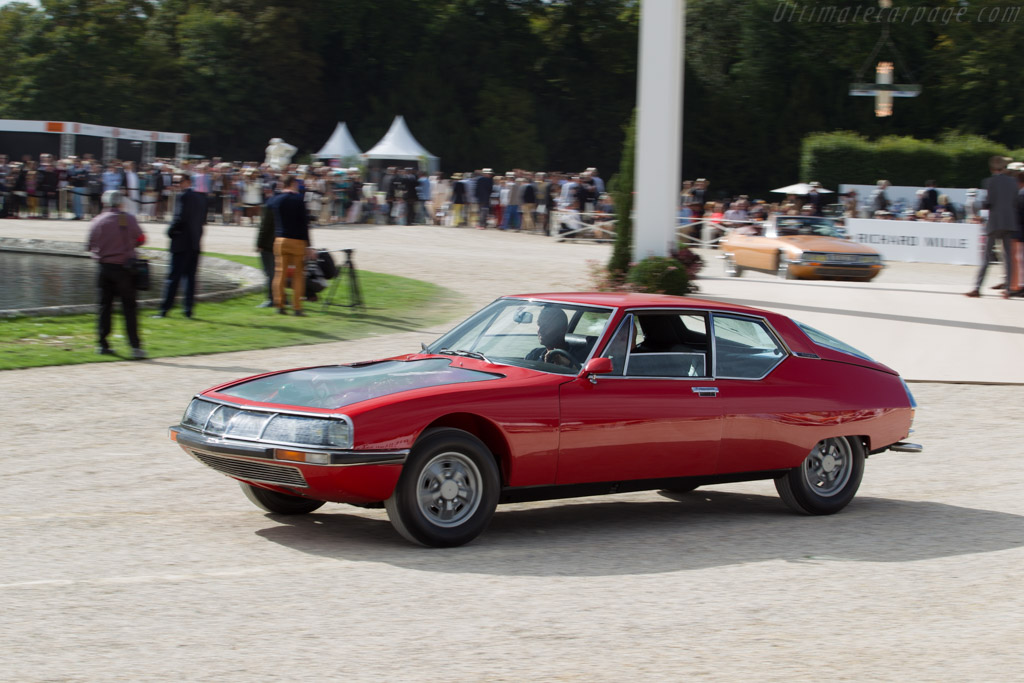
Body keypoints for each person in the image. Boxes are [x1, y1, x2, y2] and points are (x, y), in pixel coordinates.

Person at [85, 190, 147, 359]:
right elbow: (141, 239)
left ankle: (102, 343)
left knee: (105, 307)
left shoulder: (97, 221)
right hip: (124, 268)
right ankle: (135, 347)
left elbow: (89, 245)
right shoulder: (127, 219)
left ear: (104, 203)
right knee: (129, 308)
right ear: (121, 202)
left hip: (104, 268)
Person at [966, 156, 1019, 298]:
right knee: (1008, 258)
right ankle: (1008, 289)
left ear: (991, 169)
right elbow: (1015, 201)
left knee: (986, 257)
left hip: (995, 222)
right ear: (1003, 167)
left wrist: (977, 206)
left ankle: (977, 288)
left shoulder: (989, 182)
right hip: (1009, 222)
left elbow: (988, 203)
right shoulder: (1013, 182)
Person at [155, 174, 206, 318]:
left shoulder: (183, 197)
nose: (176, 184)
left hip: (181, 243)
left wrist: (170, 232)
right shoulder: (201, 198)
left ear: (188, 182)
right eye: (174, 182)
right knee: (190, 279)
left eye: (179, 182)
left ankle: (164, 310)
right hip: (194, 243)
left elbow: (180, 218)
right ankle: (188, 310)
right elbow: (201, 221)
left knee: (173, 278)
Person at [267, 174, 312, 315]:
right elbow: (304, 224)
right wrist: (308, 245)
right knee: (298, 275)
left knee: (279, 273)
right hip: (297, 240)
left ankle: (279, 304)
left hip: (281, 239)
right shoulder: (299, 200)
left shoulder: (275, 200)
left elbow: (268, 205)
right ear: (292, 183)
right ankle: (297, 307)